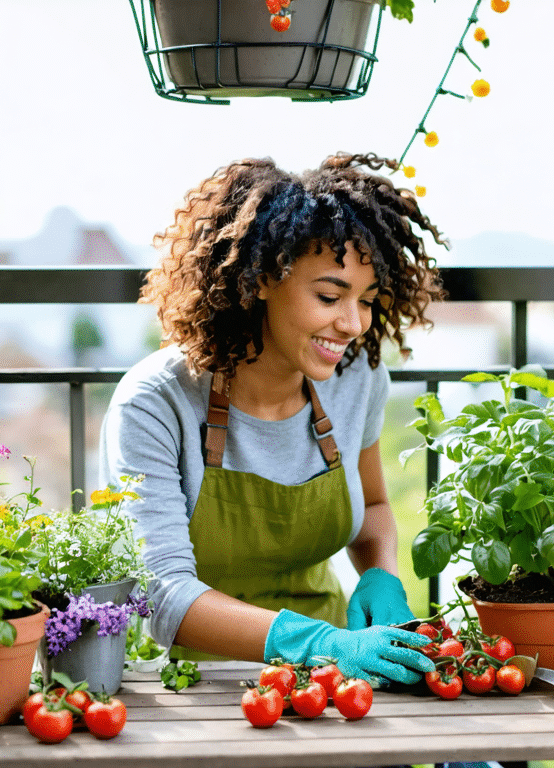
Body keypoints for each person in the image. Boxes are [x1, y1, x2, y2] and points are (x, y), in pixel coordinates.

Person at [99, 153, 447, 687]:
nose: (353, 324)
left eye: (367, 300)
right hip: (186, 685)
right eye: (330, 295)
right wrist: (318, 643)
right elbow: (163, 592)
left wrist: (380, 574)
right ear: (262, 278)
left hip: (332, 680)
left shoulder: (358, 379)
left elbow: (374, 505)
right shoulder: (155, 403)